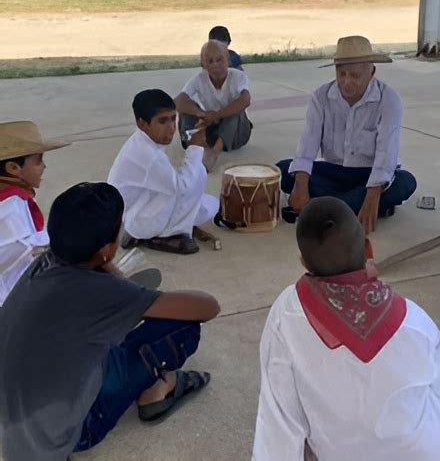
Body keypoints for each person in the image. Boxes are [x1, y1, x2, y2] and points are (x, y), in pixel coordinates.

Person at [0, 182, 220, 461]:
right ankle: (157, 393)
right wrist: (117, 276)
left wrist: (104, 261)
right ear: (106, 248)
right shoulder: (98, 291)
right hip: (74, 432)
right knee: (180, 327)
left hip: (20, 429)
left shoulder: (44, 263)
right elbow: (207, 306)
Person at [253, 197, 440, 461]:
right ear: (368, 249)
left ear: (304, 262)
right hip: (428, 450)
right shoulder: (414, 320)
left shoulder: (287, 312)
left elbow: (278, 413)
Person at [277, 35, 417, 234]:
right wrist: (301, 185)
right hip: (334, 171)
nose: (346, 82)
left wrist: (373, 195)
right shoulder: (321, 97)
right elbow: (307, 145)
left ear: (372, 72)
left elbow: (387, 154)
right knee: (283, 169)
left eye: (355, 75)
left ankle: (327, 206)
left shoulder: (389, 100)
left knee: (405, 182)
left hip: (370, 175)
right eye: (341, 74)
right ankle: (348, 206)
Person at [108, 89, 219, 255]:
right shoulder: (148, 155)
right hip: (136, 221)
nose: (171, 127)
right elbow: (181, 186)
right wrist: (195, 148)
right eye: (162, 121)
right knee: (194, 178)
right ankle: (169, 235)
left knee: (208, 202)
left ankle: (174, 227)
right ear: (142, 124)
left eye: (173, 119)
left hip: (135, 211)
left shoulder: (142, 142)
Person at [0, 120, 68, 305]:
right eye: (39, 161)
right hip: (10, 301)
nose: (44, 167)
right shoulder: (11, 206)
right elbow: (22, 248)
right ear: (13, 168)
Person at [175, 40, 252, 172]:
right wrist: (201, 114)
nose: (215, 65)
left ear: (227, 59)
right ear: (203, 65)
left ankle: (214, 152)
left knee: (236, 110)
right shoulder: (199, 79)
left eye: (219, 59)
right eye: (210, 61)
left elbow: (245, 99)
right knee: (186, 112)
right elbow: (178, 101)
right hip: (210, 128)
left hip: (236, 134)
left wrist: (216, 115)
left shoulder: (238, 77)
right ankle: (197, 147)